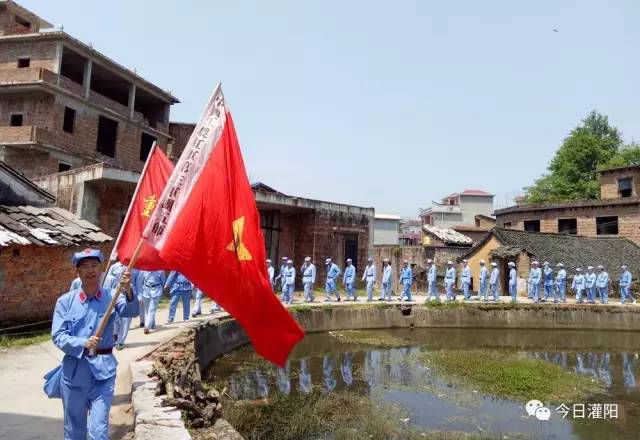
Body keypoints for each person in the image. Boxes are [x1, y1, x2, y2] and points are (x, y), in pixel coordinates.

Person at [51, 248, 138, 440]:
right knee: (74, 430)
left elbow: (131, 312)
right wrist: (83, 342)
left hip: (103, 373)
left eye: (94, 265)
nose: (90, 270)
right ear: (78, 272)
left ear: (101, 270)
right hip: (75, 374)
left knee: (99, 431)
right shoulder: (65, 302)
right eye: (84, 267)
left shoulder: (111, 298)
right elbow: (58, 336)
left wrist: (128, 290)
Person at [103, 260, 129, 350]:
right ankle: (115, 336)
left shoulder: (135, 268)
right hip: (114, 296)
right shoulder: (114, 267)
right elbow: (107, 279)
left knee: (125, 319)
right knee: (115, 319)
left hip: (127, 295)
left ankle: (121, 341)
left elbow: (138, 282)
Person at [132, 270, 166, 334]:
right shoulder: (143, 271)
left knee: (152, 310)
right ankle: (152, 325)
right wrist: (140, 296)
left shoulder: (160, 271)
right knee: (147, 310)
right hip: (146, 291)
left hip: (156, 290)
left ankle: (147, 326)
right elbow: (139, 283)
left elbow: (163, 281)